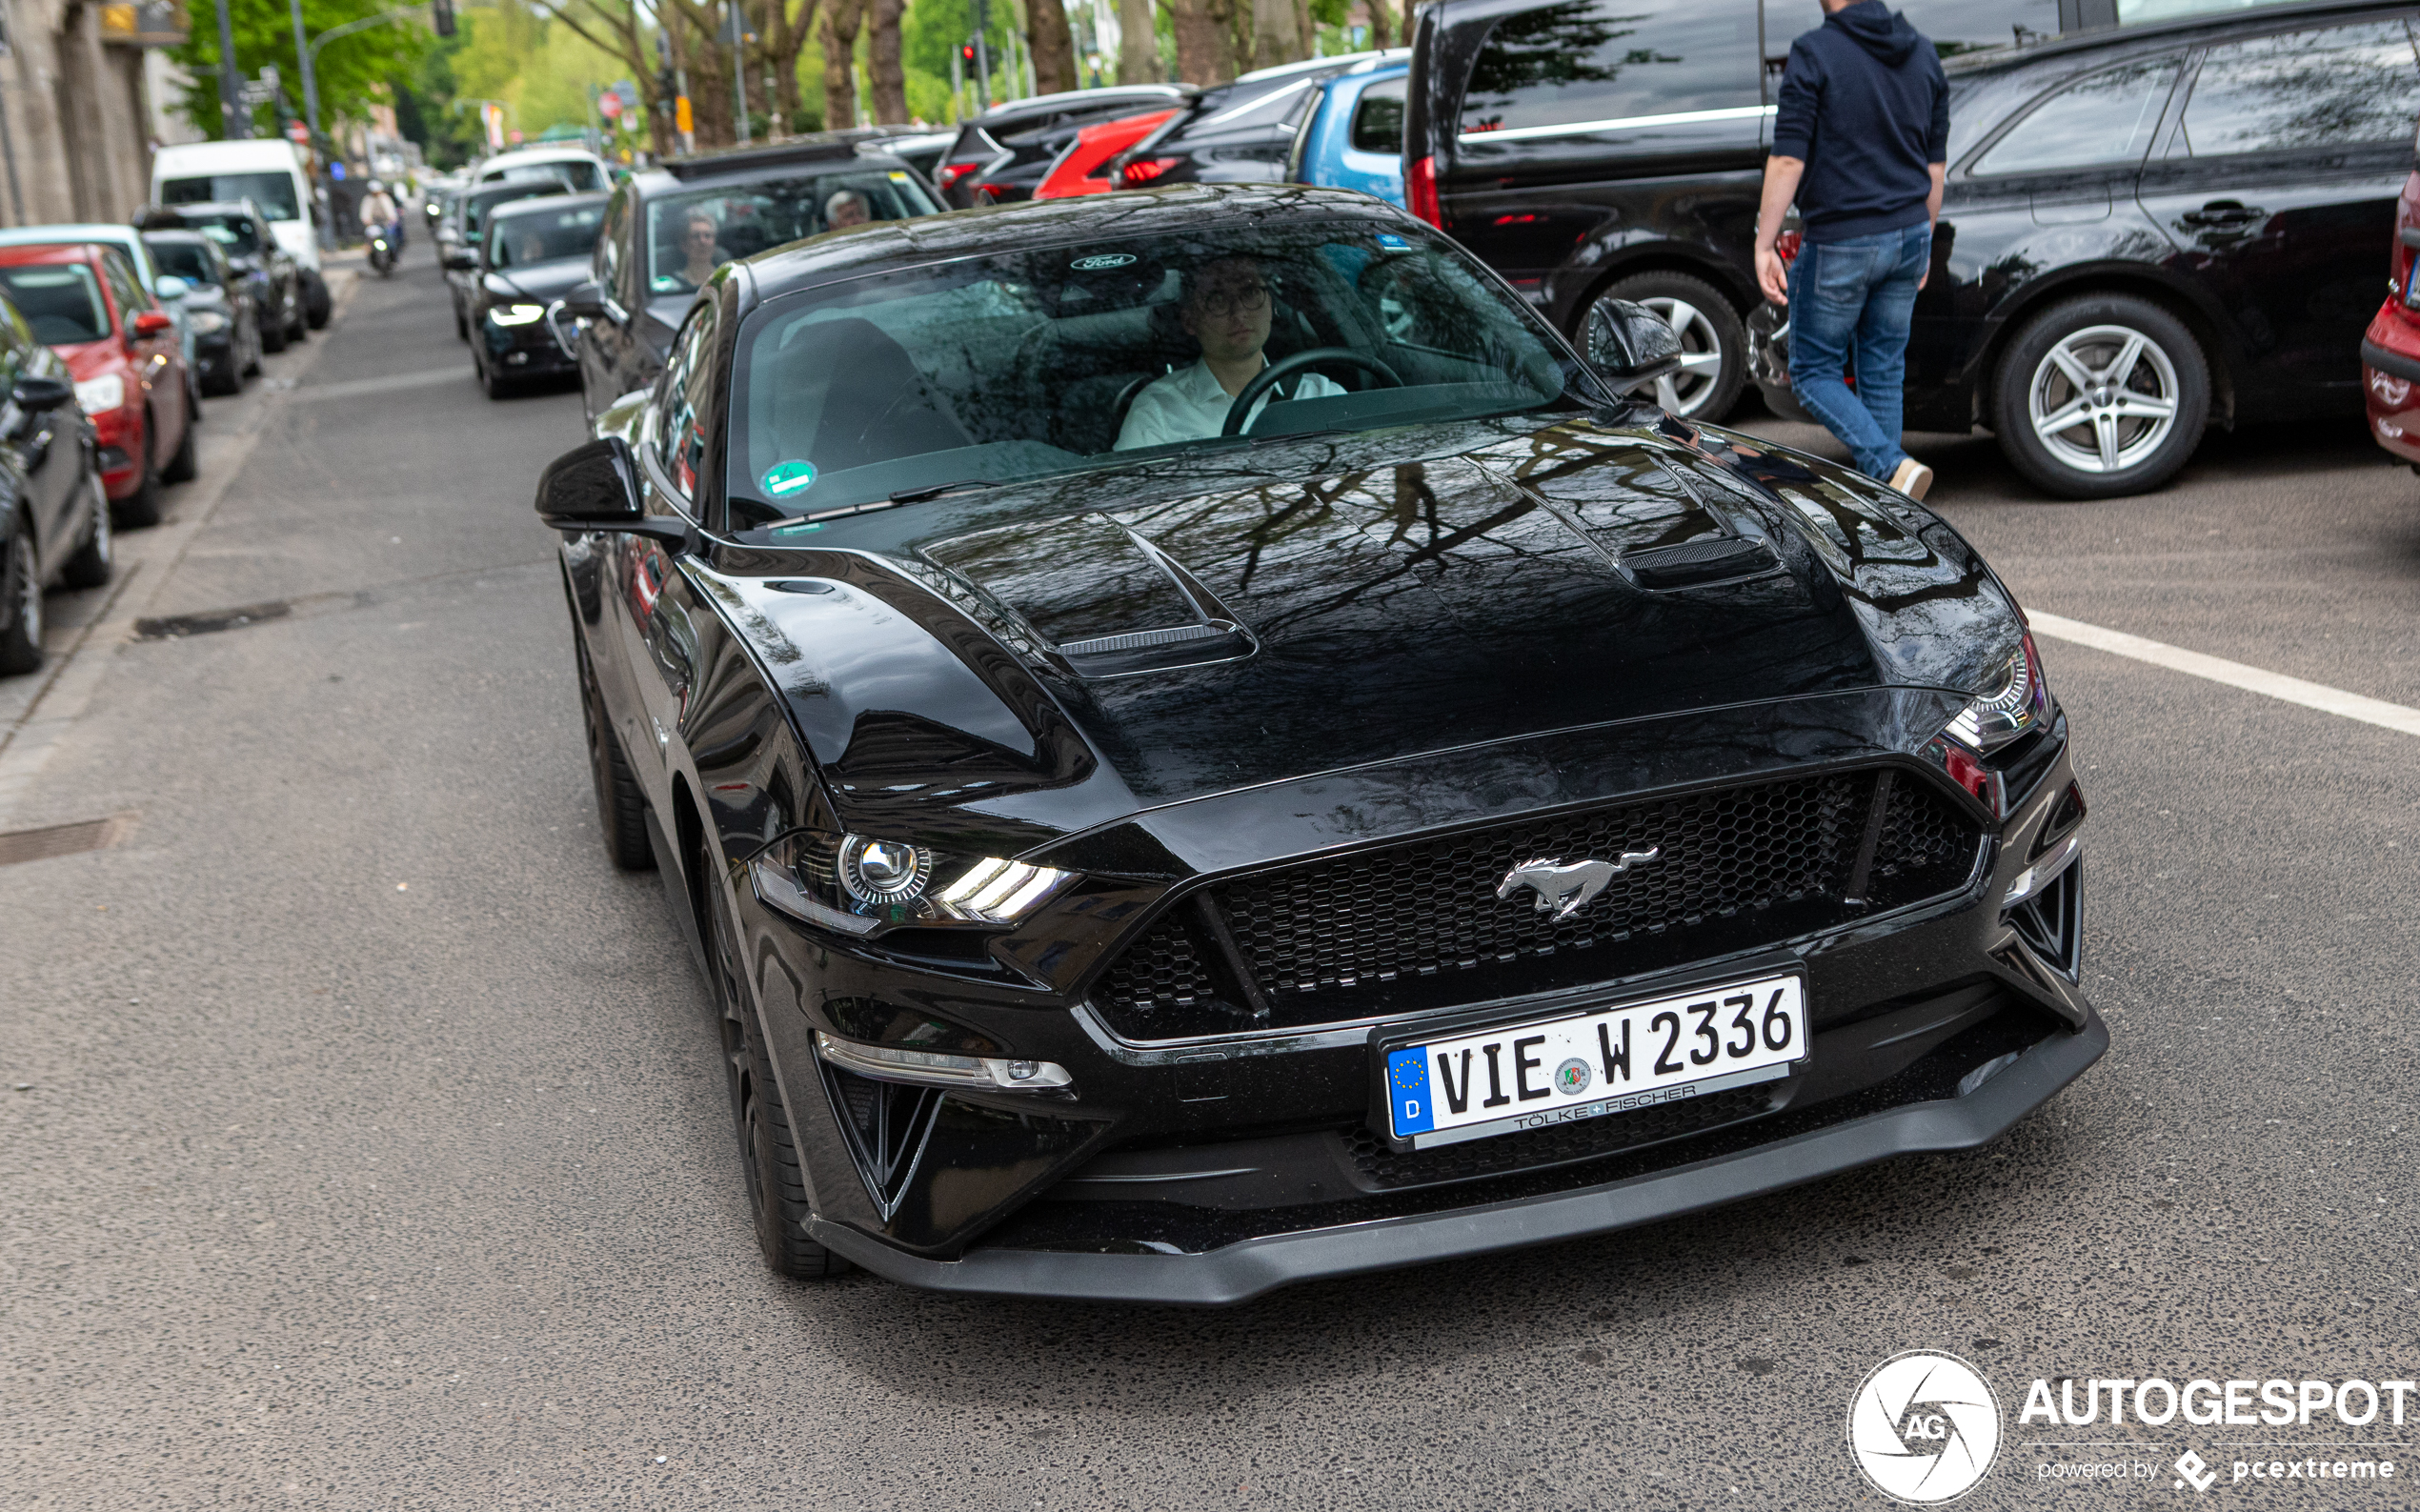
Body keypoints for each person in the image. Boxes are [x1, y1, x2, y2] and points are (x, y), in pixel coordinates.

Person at [1752, 0, 1948, 501]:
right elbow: (1934, 170)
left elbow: (1788, 160)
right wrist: (1922, 239)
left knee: (1814, 372)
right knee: (1882, 367)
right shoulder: (1924, 54)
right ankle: (1893, 501)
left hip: (1842, 239)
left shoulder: (1814, 53)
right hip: (1908, 233)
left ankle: (1889, 465)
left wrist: (1765, 242)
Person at [1115, 257, 1345, 450]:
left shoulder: (1322, 395)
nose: (1239, 312)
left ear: (1271, 305)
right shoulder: (1158, 409)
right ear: (1189, 321)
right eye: (1217, 299)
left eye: (1251, 292)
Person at [669, 209, 720, 291]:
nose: (702, 241)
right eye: (696, 236)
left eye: (707, 235)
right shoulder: (673, 286)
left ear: (714, 243)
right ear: (684, 245)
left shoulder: (726, 279)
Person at [358, 180, 400, 252]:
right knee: (370, 238)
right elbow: (365, 211)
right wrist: (366, 220)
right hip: (374, 223)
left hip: (386, 222)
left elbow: (390, 210)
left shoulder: (385, 198)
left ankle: (392, 254)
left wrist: (392, 218)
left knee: (390, 238)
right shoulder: (368, 199)